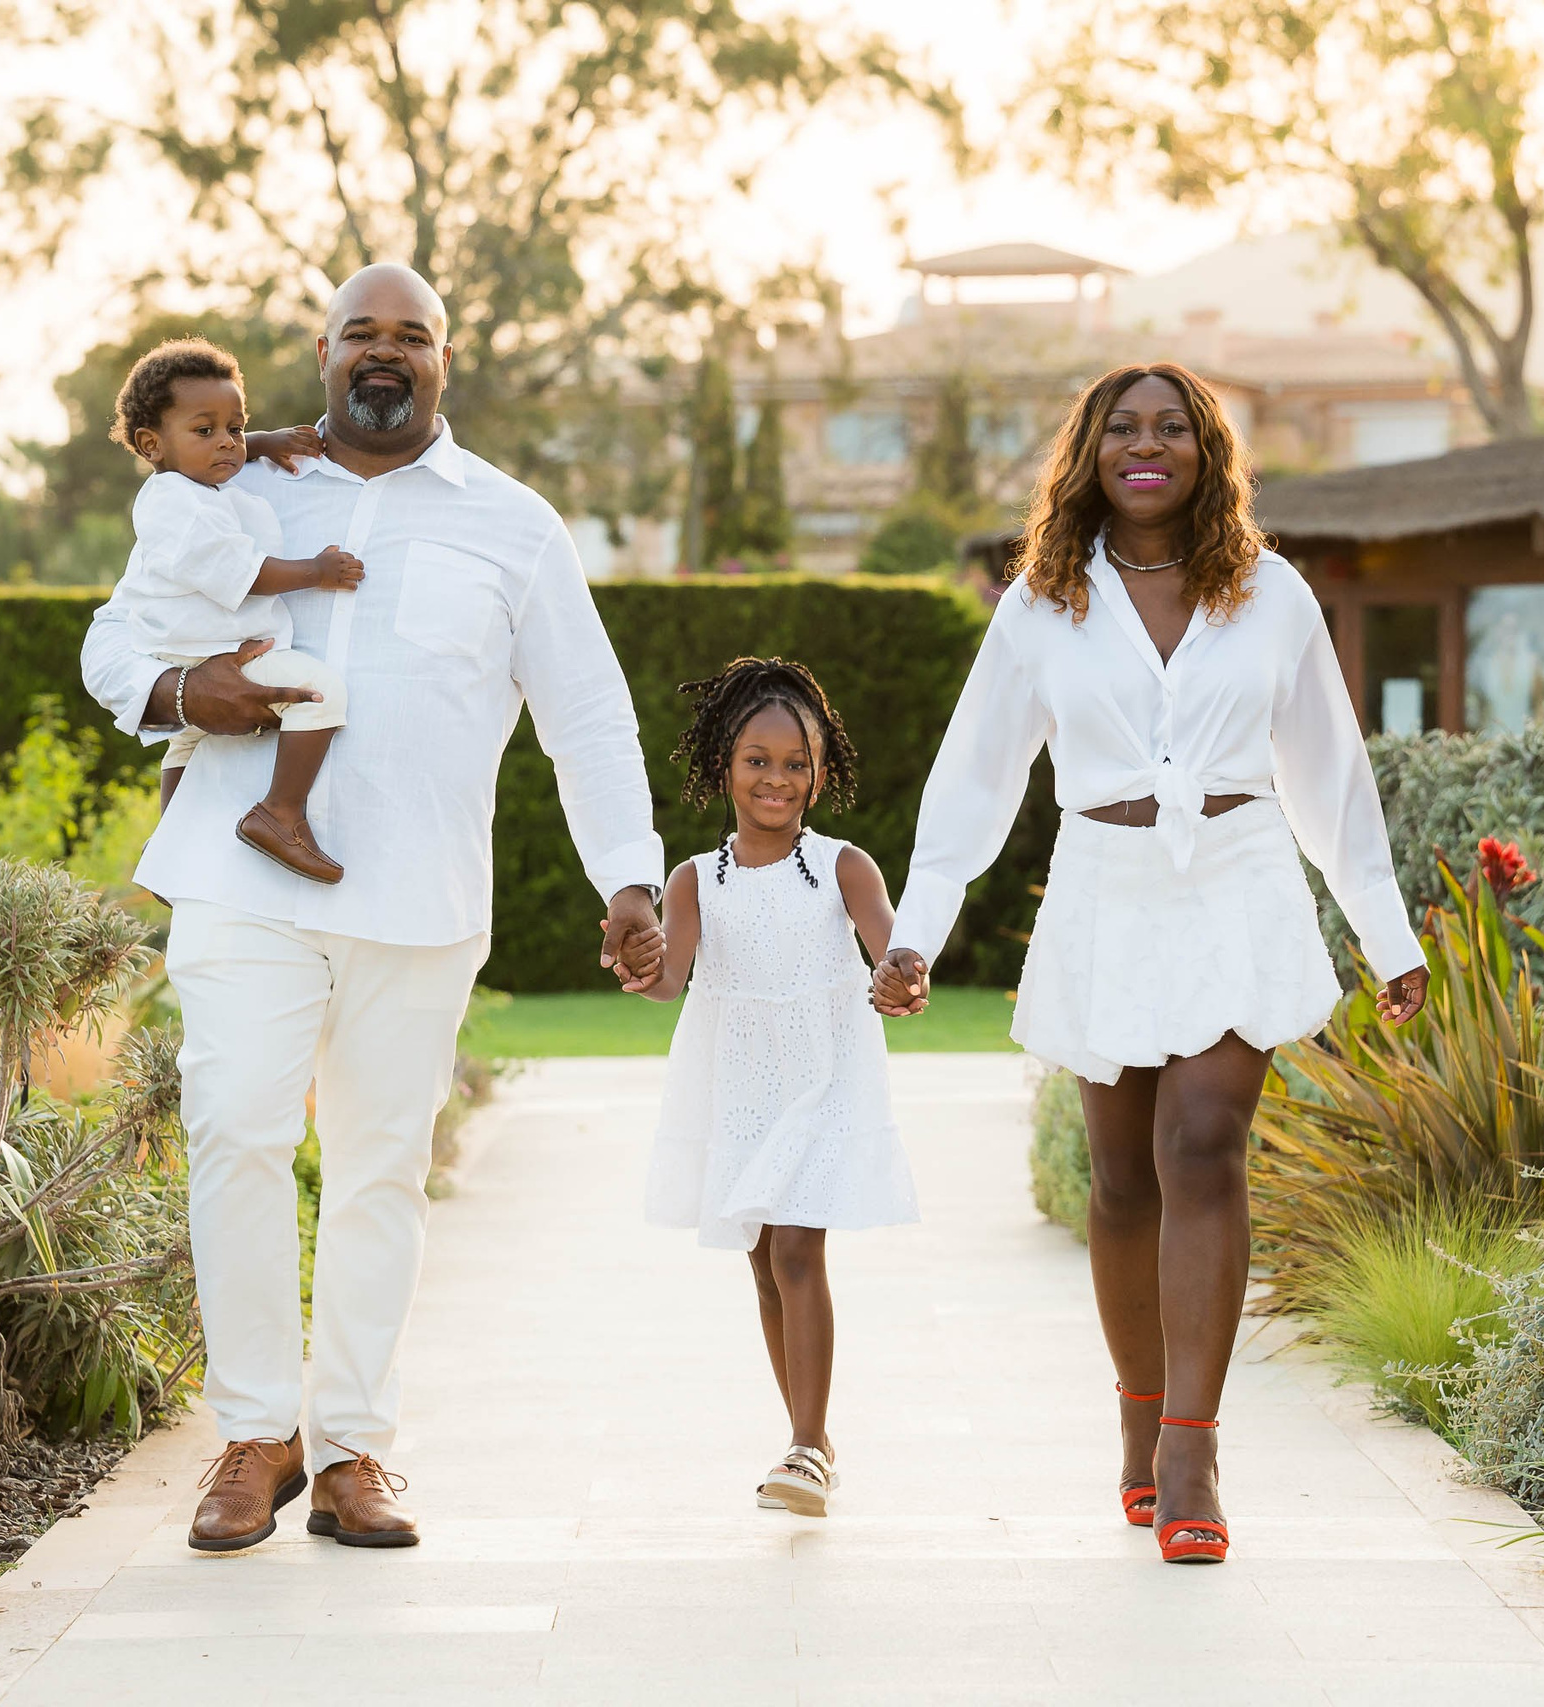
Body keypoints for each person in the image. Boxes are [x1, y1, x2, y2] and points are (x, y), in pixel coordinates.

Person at [79, 264, 668, 1555]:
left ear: (445, 360)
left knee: (380, 1171)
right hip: (241, 882)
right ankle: (253, 1433)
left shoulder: (513, 524)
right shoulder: (234, 489)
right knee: (234, 1133)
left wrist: (628, 879)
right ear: (325, 353)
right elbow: (114, 643)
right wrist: (181, 695)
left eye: (412, 334)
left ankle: (349, 1446)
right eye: (361, 333)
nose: (384, 352)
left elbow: (587, 717)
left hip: (419, 898)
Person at [871, 363, 1429, 1565]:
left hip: (1237, 877)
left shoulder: (1270, 594)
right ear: (1088, 453)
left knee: (1204, 1145)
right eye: (1122, 427)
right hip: (1106, 891)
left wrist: (1387, 935)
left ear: (1206, 453)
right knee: (1123, 1181)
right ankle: (1137, 1417)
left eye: (1172, 427)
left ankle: (1190, 1450)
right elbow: (975, 778)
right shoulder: (1043, 602)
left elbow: (1329, 776)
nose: (1146, 444)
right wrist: (915, 932)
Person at [635, 658, 918, 1517]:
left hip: (825, 1079)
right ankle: (813, 1439)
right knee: (763, 1264)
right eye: (758, 760)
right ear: (724, 762)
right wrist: (639, 960)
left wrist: (901, 977)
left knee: (797, 1249)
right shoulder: (694, 879)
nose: (777, 778)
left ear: (821, 773)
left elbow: (894, 951)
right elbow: (670, 978)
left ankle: (804, 1444)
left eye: (797, 763)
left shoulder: (843, 867)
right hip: (741, 1086)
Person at [105, 336, 364, 882]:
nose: (227, 443)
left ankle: (169, 845)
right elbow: (242, 574)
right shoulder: (174, 502)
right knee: (320, 692)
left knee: (188, 739)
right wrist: (315, 571)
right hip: (216, 653)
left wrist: (262, 443)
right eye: (206, 431)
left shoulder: (191, 484)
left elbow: (219, 450)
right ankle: (280, 813)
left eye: (237, 428)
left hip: (189, 650)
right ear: (151, 444)